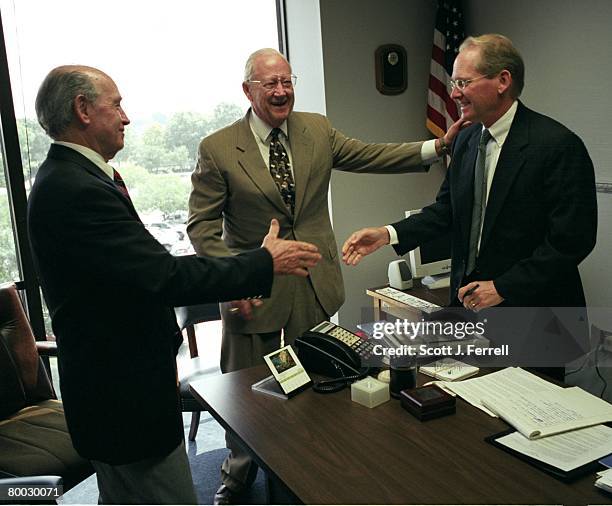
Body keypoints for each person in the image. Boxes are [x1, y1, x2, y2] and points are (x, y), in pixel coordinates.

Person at [27, 65, 321, 504]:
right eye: (117, 104)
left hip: (112, 397)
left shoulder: (72, 179)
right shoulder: (75, 190)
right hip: (125, 401)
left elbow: (141, 271)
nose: (126, 117)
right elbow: (163, 277)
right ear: (83, 109)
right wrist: (263, 262)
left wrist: (243, 268)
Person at [187, 47, 465, 503]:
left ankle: (312, 466)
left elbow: (371, 154)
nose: (281, 92)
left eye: (287, 81)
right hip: (252, 290)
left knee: (320, 381)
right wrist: (234, 277)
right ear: (248, 91)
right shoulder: (217, 148)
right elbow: (200, 226)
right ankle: (237, 472)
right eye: (270, 84)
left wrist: (438, 146)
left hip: (315, 282)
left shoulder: (316, 129)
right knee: (244, 393)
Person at [343, 34, 597, 377]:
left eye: (463, 82)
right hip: (467, 311)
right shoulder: (465, 138)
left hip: (534, 317)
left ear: (503, 81)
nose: (454, 93)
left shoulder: (557, 145)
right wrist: (388, 234)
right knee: (462, 413)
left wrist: (502, 288)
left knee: (518, 421)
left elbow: (571, 241)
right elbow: (447, 211)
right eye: (452, 82)